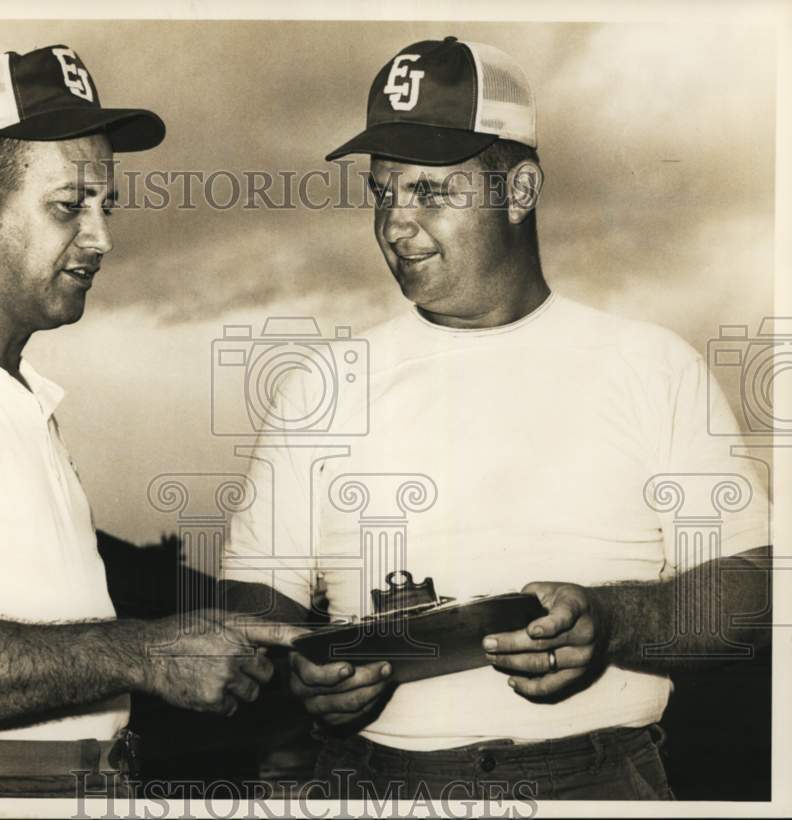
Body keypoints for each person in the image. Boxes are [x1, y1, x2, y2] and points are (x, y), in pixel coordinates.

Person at [222, 37, 772, 801]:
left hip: (595, 783)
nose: (394, 226)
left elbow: (752, 590)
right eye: (383, 193)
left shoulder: (651, 364)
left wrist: (614, 620)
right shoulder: (321, 383)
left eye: (429, 193)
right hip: (372, 782)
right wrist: (301, 674)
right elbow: (252, 605)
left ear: (519, 190)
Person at [0, 44, 299, 798]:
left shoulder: (13, 393)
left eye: (106, 206)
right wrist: (144, 654)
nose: (102, 237)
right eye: (70, 206)